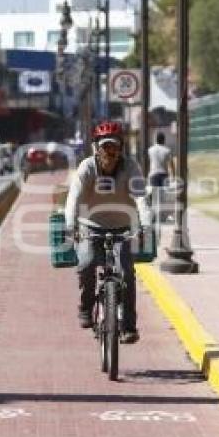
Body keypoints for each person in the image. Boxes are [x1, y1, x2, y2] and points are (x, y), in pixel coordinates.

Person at [64, 121, 152, 344]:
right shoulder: (87, 168)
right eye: (105, 147)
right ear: (96, 148)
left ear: (121, 148)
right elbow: (73, 198)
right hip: (89, 226)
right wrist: (70, 226)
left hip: (122, 228)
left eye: (114, 147)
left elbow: (141, 198)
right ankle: (85, 308)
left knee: (127, 274)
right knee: (87, 263)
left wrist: (145, 226)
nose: (110, 153)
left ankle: (129, 326)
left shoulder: (130, 167)